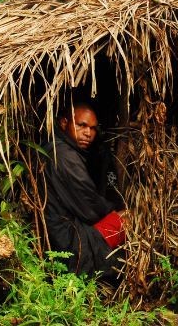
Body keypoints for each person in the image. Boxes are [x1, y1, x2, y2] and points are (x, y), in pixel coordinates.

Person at [42, 102, 126, 279]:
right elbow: (91, 208)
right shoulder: (65, 156)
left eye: (93, 128)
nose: (88, 133)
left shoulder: (58, 149)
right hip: (68, 241)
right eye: (82, 125)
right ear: (64, 123)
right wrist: (114, 210)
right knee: (128, 219)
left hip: (59, 234)